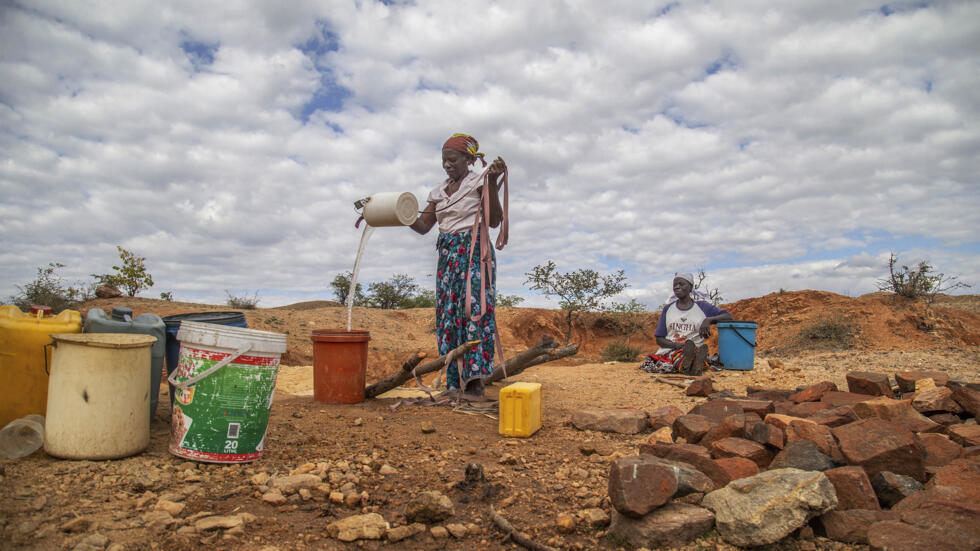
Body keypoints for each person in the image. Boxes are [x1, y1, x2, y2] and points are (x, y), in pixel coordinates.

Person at [410, 133, 508, 398]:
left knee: (475, 311)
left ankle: (475, 383)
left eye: (452, 160)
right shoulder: (438, 192)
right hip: (447, 254)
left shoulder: (480, 181)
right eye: (444, 160)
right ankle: (453, 383)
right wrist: (400, 212)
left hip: (474, 250)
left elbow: (494, 220)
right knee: (448, 316)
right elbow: (423, 226)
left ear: (469, 159)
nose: (447, 165)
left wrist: (491, 183)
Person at [642, 272, 732, 375]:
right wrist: (676, 345)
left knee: (693, 353)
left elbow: (728, 316)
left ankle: (692, 362)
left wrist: (708, 320)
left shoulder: (703, 307)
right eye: (675, 285)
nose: (677, 287)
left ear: (690, 287)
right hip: (672, 349)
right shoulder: (668, 309)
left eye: (681, 284)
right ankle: (692, 365)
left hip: (696, 349)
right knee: (677, 357)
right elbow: (659, 339)